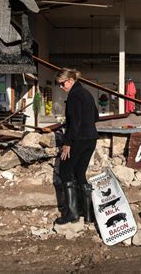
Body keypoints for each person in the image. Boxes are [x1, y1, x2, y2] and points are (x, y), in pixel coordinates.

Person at [55, 68, 99, 225]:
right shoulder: (86, 93)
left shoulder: (74, 95)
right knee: (80, 173)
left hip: (78, 139)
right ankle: (88, 216)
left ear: (70, 81)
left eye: (61, 84)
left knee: (65, 171)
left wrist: (67, 143)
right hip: (91, 138)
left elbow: (75, 122)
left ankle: (72, 215)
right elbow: (96, 116)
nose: (60, 87)